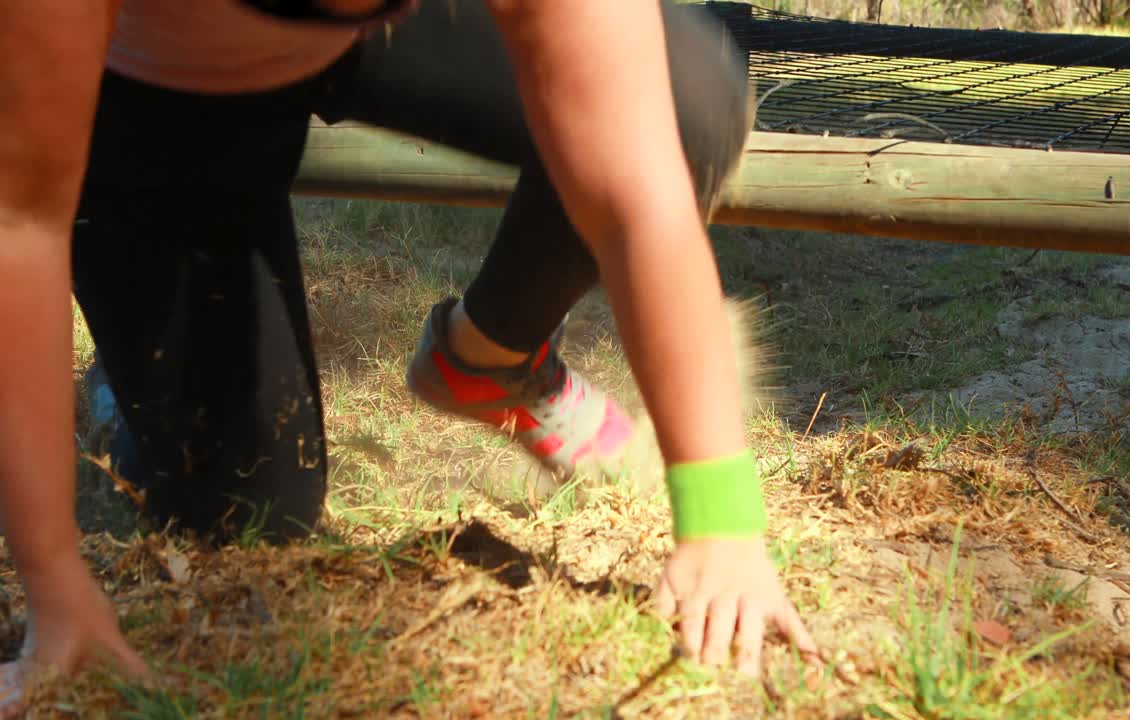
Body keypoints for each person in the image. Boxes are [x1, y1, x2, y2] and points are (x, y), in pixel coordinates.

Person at [0, 0, 818, 711]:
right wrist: (56, 585)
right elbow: (21, 222)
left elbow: (637, 185)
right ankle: (126, 383)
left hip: (346, 43)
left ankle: (485, 359)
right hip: (157, 88)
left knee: (684, 108)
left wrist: (721, 524)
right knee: (245, 513)